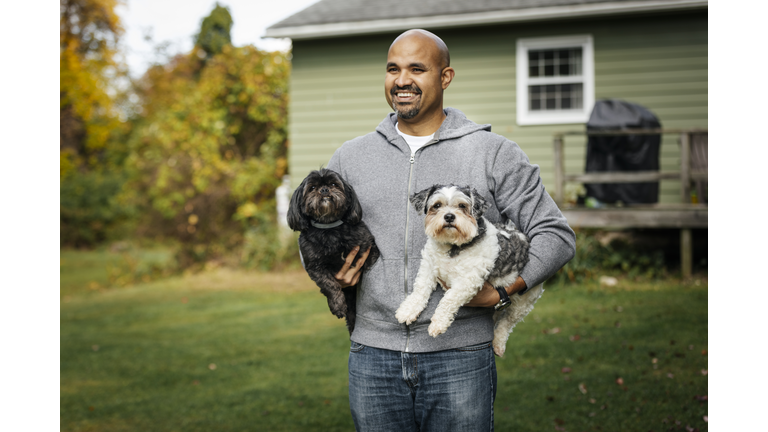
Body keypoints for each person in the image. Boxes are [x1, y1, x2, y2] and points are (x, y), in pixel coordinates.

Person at [325, 29, 576, 431]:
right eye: (393, 69)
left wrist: (503, 292)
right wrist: (332, 274)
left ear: (445, 77)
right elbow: (316, 231)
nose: (401, 80)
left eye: (416, 69)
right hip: (373, 353)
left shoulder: (492, 152)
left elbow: (555, 235)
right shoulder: (352, 156)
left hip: (459, 356)